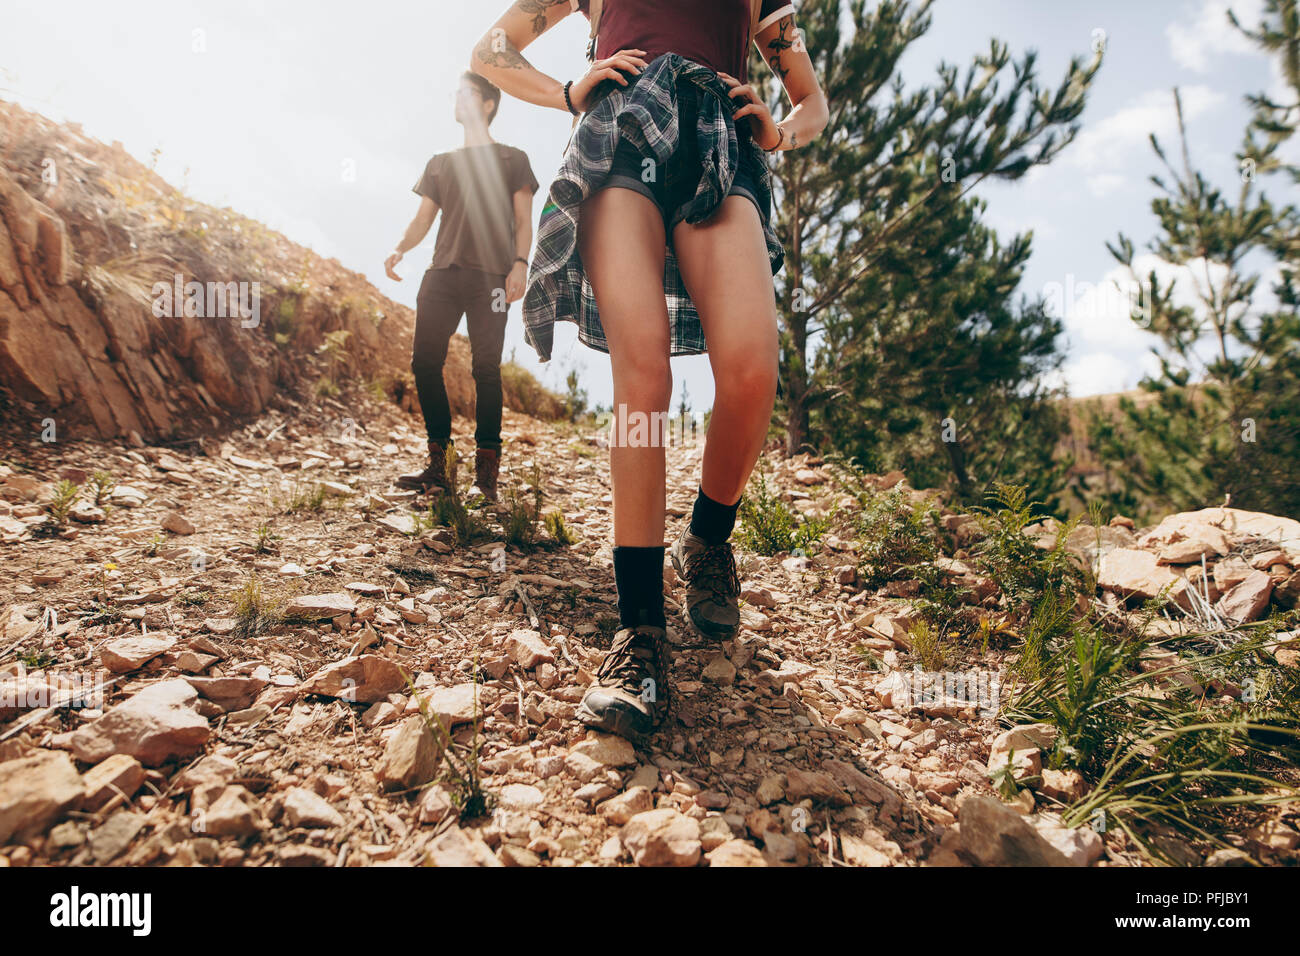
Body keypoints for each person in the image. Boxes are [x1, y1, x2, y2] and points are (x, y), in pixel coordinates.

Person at [471, 0, 828, 738]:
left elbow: (810, 97)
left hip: (720, 143)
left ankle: (709, 537)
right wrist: (571, 92)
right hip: (618, 134)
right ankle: (638, 638)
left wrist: (783, 132)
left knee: (754, 366)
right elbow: (491, 52)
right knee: (644, 373)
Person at [387, 71, 539, 502]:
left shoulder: (514, 159)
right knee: (423, 363)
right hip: (442, 273)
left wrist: (520, 265)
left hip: (491, 276)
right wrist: (399, 249)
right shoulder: (440, 162)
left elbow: (525, 221)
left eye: (467, 94)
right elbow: (422, 220)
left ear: (489, 104)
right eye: (456, 94)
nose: (458, 100)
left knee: (485, 368)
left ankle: (486, 471)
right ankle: (440, 465)